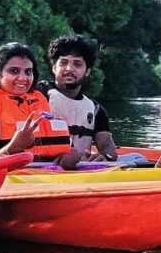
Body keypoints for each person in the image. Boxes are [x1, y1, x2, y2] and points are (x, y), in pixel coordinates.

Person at [0, 42, 71, 158]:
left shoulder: (41, 101)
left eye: (28, 72)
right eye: (14, 71)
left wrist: (68, 155)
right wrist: (12, 148)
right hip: (8, 176)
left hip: (46, 174)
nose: (23, 78)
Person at [37, 34, 118, 165]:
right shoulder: (37, 95)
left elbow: (107, 145)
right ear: (54, 68)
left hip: (79, 169)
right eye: (63, 63)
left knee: (137, 157)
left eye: (77, 64)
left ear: (87, 71)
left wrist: (106, 156)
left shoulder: (96, 110)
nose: (69, 69)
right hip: (39, 168)